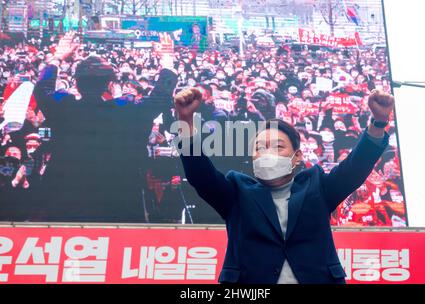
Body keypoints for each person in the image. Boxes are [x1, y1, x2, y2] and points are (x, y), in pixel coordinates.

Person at [174, 87, 394, 284]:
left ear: (297, 157)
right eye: (260, 147)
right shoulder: (236, 192)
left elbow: (354, 170)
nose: (267, 153)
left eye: (277, 146)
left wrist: (378, 123)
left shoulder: (317, 187)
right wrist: (185, 122)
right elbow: (200, 175)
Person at [31, 32, 178, 222]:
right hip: (119, 206)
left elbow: (42, 89)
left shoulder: (64, 108)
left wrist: (57, 57)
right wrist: (167, 60)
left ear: (76, 83)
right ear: (110, 85)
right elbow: (162, 97)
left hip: (65, 204)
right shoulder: (127, 110)